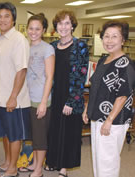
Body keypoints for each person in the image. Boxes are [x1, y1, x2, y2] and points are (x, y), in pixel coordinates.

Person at [82, 20, 135, 177]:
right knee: (98, 158)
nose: (109, 41)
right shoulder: (103, 60)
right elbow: (95, 87)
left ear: (123, 40)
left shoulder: (126, 65)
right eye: (106, 36)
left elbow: (123, 95)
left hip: (114, 120)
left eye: (114, 36)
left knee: (108, 162)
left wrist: (109, 120)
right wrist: (87, 108)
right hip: (97, 116)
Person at [0, 2, 31, 177]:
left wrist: (13, 97)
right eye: (0, 16)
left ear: (13, 18)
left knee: (15, 135)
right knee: (5, 133)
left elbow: (22, 70)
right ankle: (7, 162)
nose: (3, 19)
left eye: (7, 16)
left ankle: (13, 168)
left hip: (14, 100)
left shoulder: (19, 40)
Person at [45, 10, 89, 177]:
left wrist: (72, 101)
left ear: (72, 26)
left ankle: (64, 167)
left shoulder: (80, 46)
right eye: (60, 23)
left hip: (72, 95)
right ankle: (54, 161)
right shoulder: (53, 46)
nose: (63, 27)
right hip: (55, 95)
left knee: (68, 131)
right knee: (55, 129)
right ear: (56, 26)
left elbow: (81, 75)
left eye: (67, 23)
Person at [18, 13, 55, 177]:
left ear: (44, 30)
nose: (33, 32)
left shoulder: (47, 49)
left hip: (40, 99)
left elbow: (49, 77)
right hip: (27, 99)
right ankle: (34, 163)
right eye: (31, 28)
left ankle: (39, 169)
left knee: (40, 137)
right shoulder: (26, 46)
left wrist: (43, 102)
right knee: (33, 135)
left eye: (37, 29)